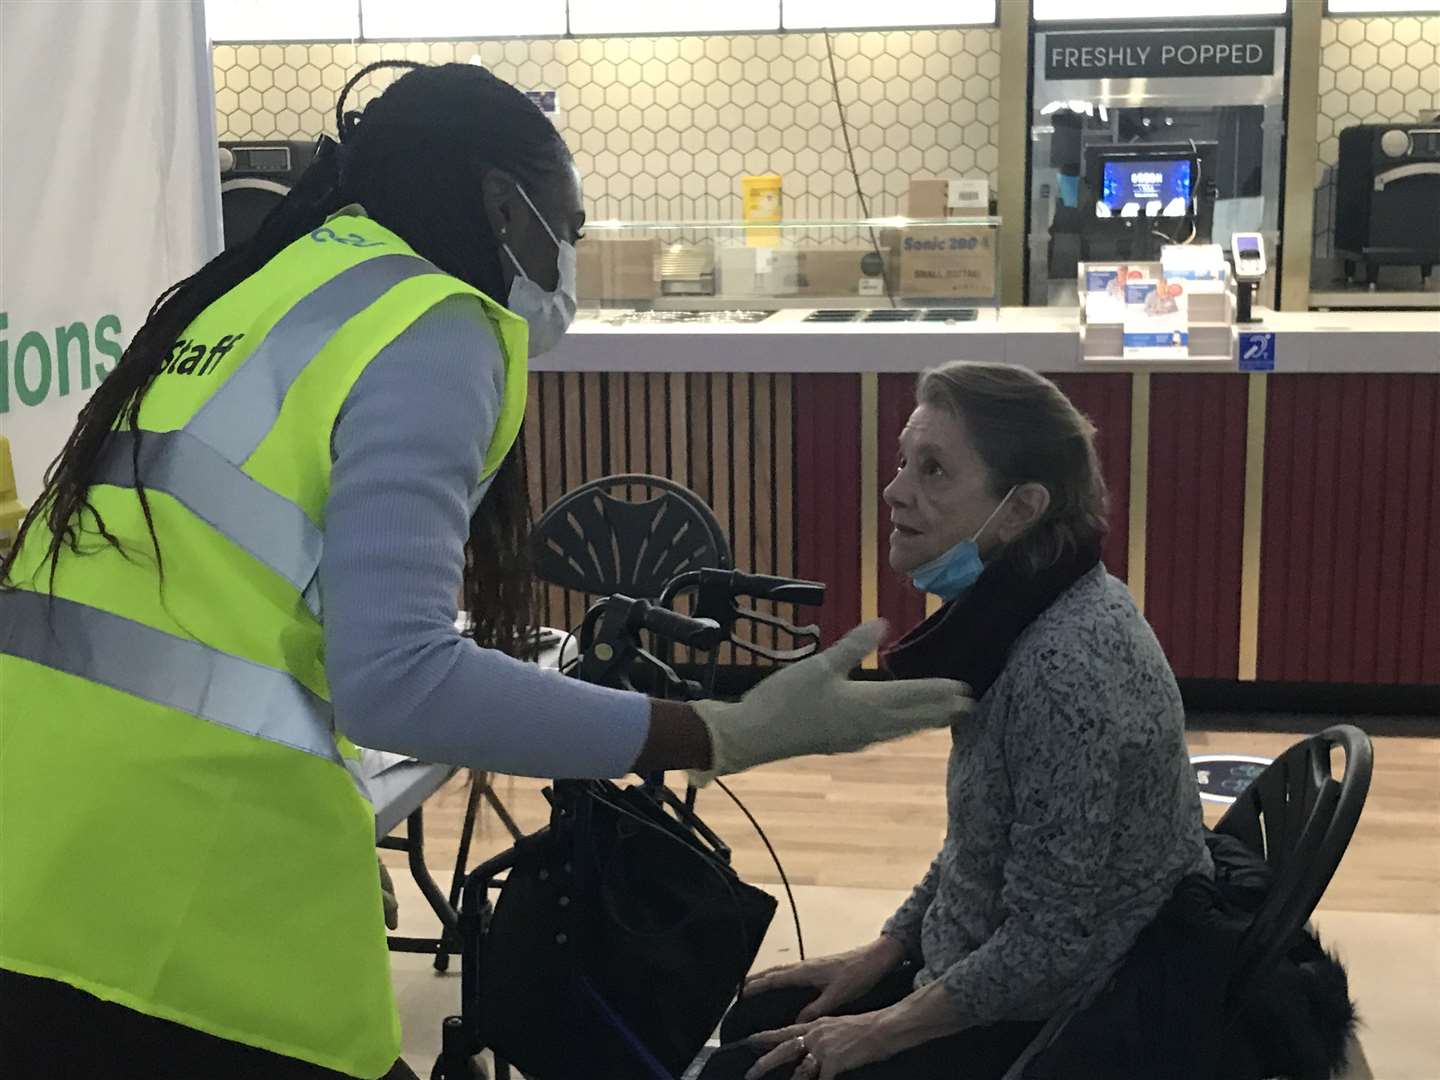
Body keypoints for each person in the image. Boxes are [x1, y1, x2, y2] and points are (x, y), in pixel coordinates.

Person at [0, 63, 969, 1080]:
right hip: (184, 865)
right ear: (505, 203)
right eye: (572, 228)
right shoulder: (433, 324)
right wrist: (725, 731)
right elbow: (398, 682)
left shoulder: (271, 286)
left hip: (33, 830)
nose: (572, 262)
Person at [701, 362, 1212, 1080]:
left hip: (1064, 1020)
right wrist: (885, 950)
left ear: (1022, 506)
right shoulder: (1033, 608)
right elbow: (984, 840)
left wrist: (877, 1030)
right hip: (987, 961)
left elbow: (1048, 950)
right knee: (758, 1018)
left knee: (743, 1068)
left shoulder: (1062, 671)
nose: (895, 490)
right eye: (905, 460)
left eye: (934, 470)